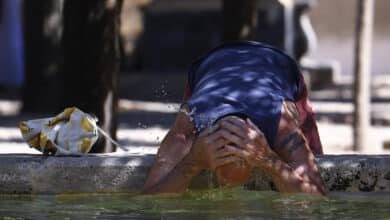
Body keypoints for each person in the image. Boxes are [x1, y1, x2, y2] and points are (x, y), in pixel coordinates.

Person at [143, 41, 326, 195]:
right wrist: (191, 162)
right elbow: (148, 197)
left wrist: (269, 159)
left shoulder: (281, 124)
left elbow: (318, 194)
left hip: (277, 62)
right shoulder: (188, 125)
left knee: (317, 159)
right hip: (212, 63)